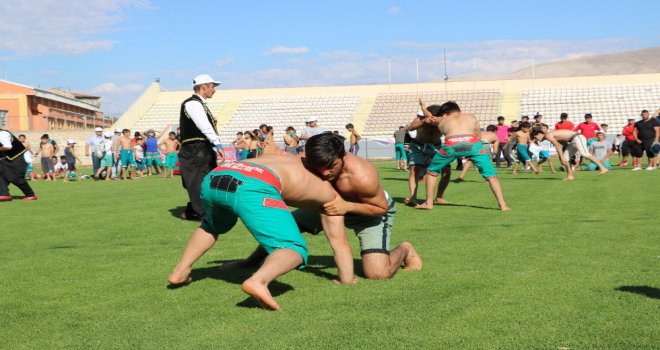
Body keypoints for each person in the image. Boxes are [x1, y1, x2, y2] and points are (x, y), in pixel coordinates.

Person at [167, 154, 359, 311]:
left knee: (211, 225)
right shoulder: (332, 198)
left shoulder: (291, 157)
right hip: (255, 185)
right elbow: (339, 244)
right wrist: (347, 280)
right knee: (294, 249)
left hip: (218, 175)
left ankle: (180, 271)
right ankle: (258, 281)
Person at [415, 99, 510, 211]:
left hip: (451, 144)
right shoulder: (471, 117)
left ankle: (429, 203)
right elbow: (478, 137)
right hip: (473, 144)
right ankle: (503, 205)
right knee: (491, 175)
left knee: (432, 172)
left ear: (445, 113)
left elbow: (429, 116)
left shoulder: (442, 119)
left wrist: (423, 106)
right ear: (459, 110)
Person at [178, 74, 225, 221]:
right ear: (203, 86)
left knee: (202, 179)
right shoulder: (193, 103)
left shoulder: (198, 104)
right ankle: (204, 214)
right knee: (198, 180)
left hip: (199, 148)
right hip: (195, 148)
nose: (214, 90)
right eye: (212, 86)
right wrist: (217, 143)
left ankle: (192, 210)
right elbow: (204, 126)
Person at [405, 109, 451, 207]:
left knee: (447, 170)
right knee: (414, 170)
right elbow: (410, 128)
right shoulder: (420, 118)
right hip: (418, 145)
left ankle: (439, 197)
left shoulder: (444, 121)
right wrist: (423, 121)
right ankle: (413, 197)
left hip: (436, 146)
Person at [530, 129, 609, 180]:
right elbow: (563, 144)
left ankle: (603, 168)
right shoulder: (550, 135)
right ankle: (570, 175)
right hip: (574, 140)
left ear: (539, 134)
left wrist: (561, 156)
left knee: (584, 153)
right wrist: (563, 156)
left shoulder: (547, 135)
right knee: (565, 158)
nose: (536, 139)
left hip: (578, 138)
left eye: (535, 137)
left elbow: (557, 146)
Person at [0, 128, 37, 201]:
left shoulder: (2, 134)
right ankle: (3, 194)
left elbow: (8, 146)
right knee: (1, 173)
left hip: (19, 156)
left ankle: (30, 195)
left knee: (16, 177)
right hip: (8, 159)